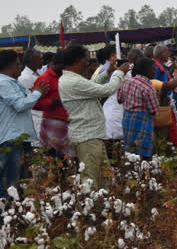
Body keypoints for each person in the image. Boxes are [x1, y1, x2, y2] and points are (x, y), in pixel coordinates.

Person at [59, 44, 130, 189]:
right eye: (86, 60)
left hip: (91, 137)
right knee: (90, 180)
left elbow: (91, 86)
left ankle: (104, 207)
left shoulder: (71, 79)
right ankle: (93, 209)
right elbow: (106, 90)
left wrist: (106, 73)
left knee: (105, 178)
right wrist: (119, 73)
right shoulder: (73, 81)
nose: (88, 63)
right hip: (87, 138)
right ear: (77, 60)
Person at [0, 50, 49, 200]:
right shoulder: (3, 83)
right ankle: (8, 217)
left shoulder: (9, 82)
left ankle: (18, 216)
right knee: (11, 183)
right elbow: (20, 105)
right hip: (11, 139)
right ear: (12, 65)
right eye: (18, 64)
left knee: (21, 181)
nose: (20, 67)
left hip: (19, 137)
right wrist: (37, 93)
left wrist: (33, 94)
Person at [33, 50, 75, 158]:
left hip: (68, 123)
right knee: (54, 159)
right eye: (66, 65)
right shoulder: (44, 78)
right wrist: (53, 102)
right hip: (53, 123)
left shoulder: (66, 76)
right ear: (58, 64)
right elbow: (35, 103)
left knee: (68, 160)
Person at [118, 57, 160, 159]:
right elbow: (154, 110)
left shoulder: (126, 82)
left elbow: (119, 99)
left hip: (127, 120)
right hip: (142, 123)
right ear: (146, 70)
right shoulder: (148, 88)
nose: (155, 71)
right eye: (153, 69)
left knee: (131, 154)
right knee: (144, 155)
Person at [103, 48, 142, 149]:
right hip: (117, 113)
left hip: (112, 111)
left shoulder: (121, 72)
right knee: (117, 147)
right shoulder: (127, 73)